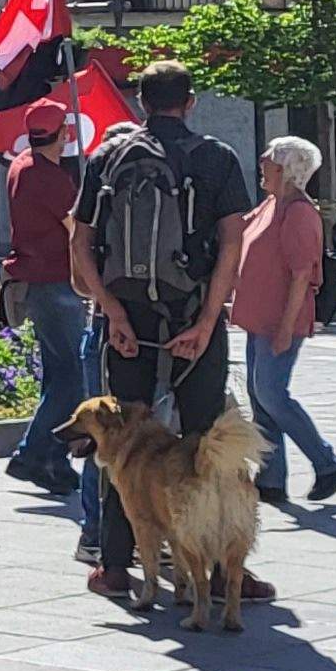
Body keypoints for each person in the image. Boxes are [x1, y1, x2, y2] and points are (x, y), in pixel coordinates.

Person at [66, 60, 263, 603]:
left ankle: (112, 566)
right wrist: (207, 321)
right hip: (192, 316)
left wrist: (113, 312)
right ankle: (226, 573)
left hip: (127, 321)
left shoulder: (107, 156)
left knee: (119, 445)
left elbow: (81, 241)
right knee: (207, 445)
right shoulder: (216, 157)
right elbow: (232, 242)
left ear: (141, 102)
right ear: (190, 101)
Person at [234, 136, 336, 504]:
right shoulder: (271, 203)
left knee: (272, 394)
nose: (262, 164)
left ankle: (327, 463)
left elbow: (302, 275)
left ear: (288, 170)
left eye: (270, 162)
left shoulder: (298, 212)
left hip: (280, 320)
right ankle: (271, 479)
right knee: (260, 397)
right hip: (258, 317)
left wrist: (285, 327)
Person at [0, 101, 92, 498]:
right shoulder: (51, 179)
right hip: (57, 282)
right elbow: (76, 229)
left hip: (38, 281)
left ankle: (52, 459)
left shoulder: (21, 165)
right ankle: (33, 452)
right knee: (73, 375)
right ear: (64, 135)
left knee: (58, 375)